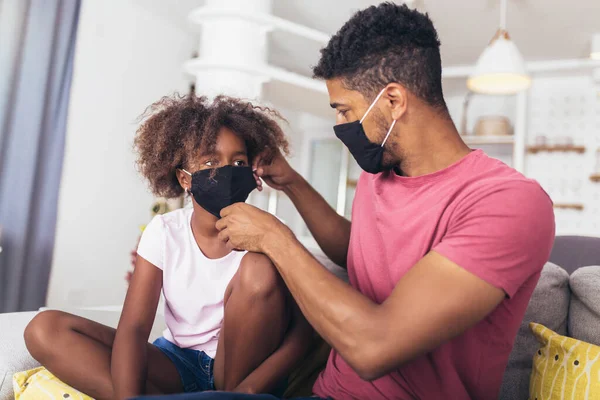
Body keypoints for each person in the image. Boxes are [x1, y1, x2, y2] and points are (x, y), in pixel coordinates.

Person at [139, 3, 556, 400]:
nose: (340, 124)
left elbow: (375, 348)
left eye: (343, 110)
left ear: (392, 101)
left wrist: (275, 239)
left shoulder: (509, 203)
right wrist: (293, 183)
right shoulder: (380, 176)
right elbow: (358, 252)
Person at [24, 94, 313, 400]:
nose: (227, 171)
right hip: (176, 362)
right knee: (44, 328)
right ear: (184, 178)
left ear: (252, 172)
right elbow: (134, 329)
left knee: (258, 267)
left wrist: (249, 389)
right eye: (210, 162)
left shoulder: (271, 232)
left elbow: (304, 330)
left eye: (238, 161)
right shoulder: (165, 232)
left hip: (236, 375)